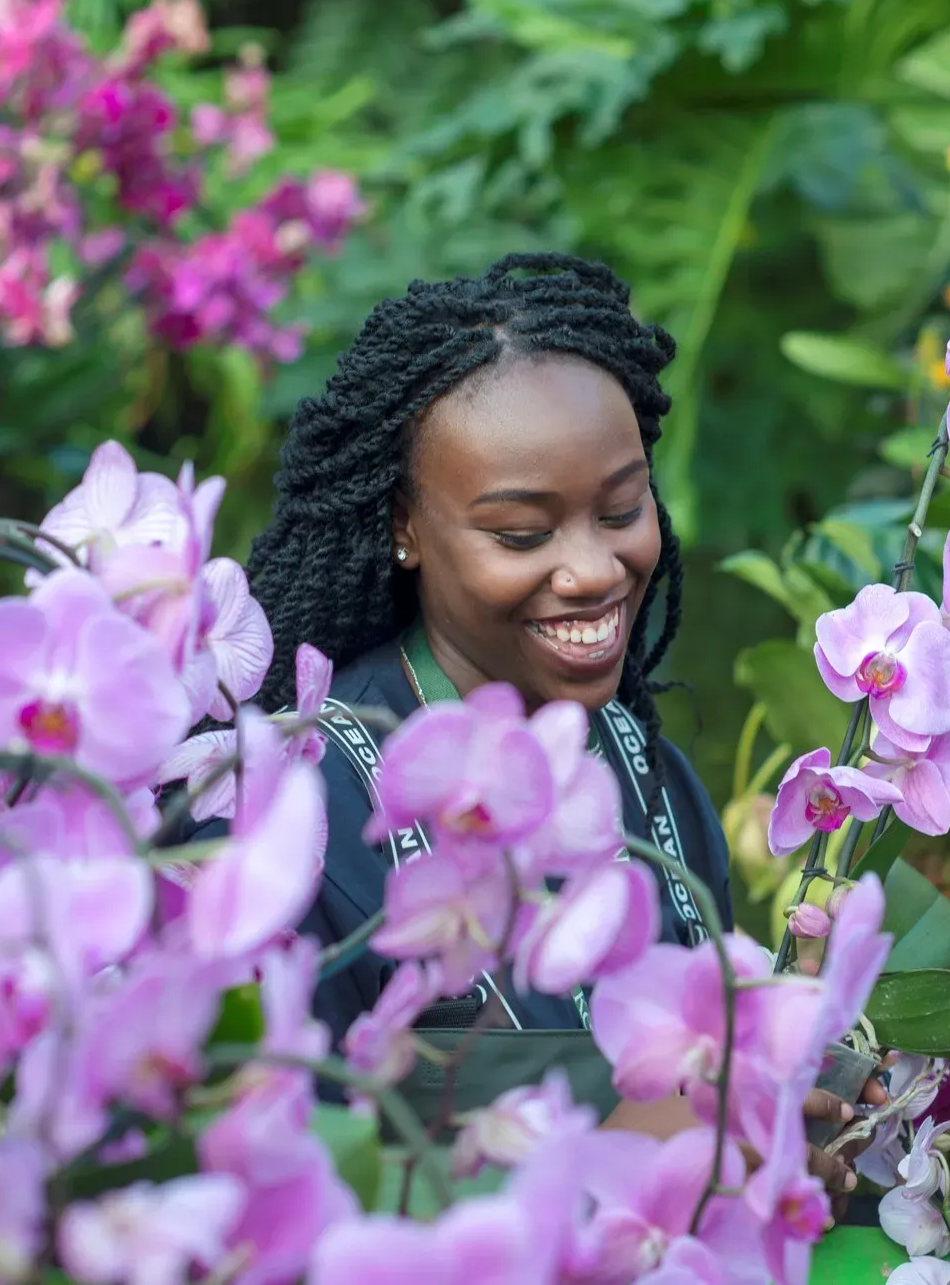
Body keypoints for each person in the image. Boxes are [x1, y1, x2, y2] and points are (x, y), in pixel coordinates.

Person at [197, 253, 876, 1199]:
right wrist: (625, 1156)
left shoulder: (649, 776)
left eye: (623, 508)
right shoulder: (298, 820)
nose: (594, 568)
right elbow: (265, 1177)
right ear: (405, 525)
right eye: (523, 534)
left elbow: (705, 1099)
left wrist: (785, 1131)